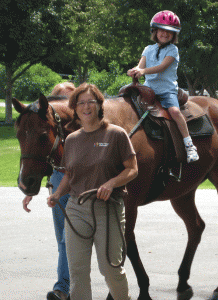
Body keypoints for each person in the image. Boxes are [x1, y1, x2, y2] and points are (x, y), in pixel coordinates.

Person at [47, 83, 138, 300]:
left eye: (91, 101)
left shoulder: (116, 134)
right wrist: (57, 194)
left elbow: (132, 169)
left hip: (108, 208)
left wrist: (112, 183)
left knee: (111, 270)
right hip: (76, 209)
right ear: (75, 108)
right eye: (81, 103)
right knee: (77, 272)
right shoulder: (72, 139)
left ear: (99, 105)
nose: (86, 106)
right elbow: (69, 174)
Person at [22, 81, 75, 300]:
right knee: (62, 238)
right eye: (60, 98)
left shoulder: (86, 126)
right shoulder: (53, 128)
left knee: (67, 240)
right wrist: (30, 191)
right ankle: (67, 285)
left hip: (80, 183)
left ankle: (62, 288)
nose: (66, 104)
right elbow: (43, 157)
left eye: (69, 99)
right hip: (58, 179)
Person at [127, 10, 199, 163]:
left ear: (174, 35)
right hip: (148, 89)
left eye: (169, 32)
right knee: (130, 105)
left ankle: (189, 145)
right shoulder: (148, 49)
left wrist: (143, 71)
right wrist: (134, 71)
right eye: (162, 30)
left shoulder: (173, 50)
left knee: (174, 111)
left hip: (167, 91)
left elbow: (162, 67)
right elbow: (141, 65)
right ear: (155, 31)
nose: (165, 34)